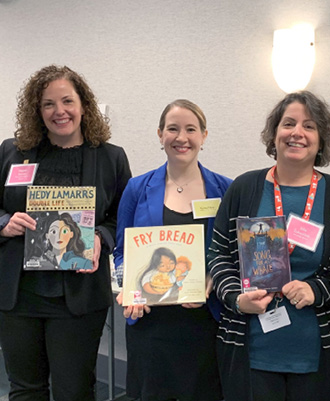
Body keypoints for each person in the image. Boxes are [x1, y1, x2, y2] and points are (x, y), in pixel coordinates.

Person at [208, 91, 330, 401]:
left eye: (309, 126)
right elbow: (219, 254)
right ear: (275, 133)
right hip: (249, 346)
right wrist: (238, 299)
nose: (297, 133)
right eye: (288, 123)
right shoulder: (244, 188)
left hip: (319, 348)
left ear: (322, 139)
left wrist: (316, 289)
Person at [0, 65, 131, 401]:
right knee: (25, 389)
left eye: (67, 101)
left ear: (83, 105)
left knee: (74, 391)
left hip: (79, 295)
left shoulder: (110, 158)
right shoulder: (11, 151)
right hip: (18, 295)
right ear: (37, 110)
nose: (59, 112)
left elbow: (122, 217)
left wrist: (101, 235)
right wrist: (4, 222)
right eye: (48, 104)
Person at [114, 99, 231, 401]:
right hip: (151, 324)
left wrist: (215, 279)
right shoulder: (137, 189)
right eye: (173, 129)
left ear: (204, 136)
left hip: (206, 322)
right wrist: (129, 287)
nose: (182, 137)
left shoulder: (226, 190)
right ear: (160, 134)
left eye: (191, 129)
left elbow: (233, 254)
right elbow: (121, 251)